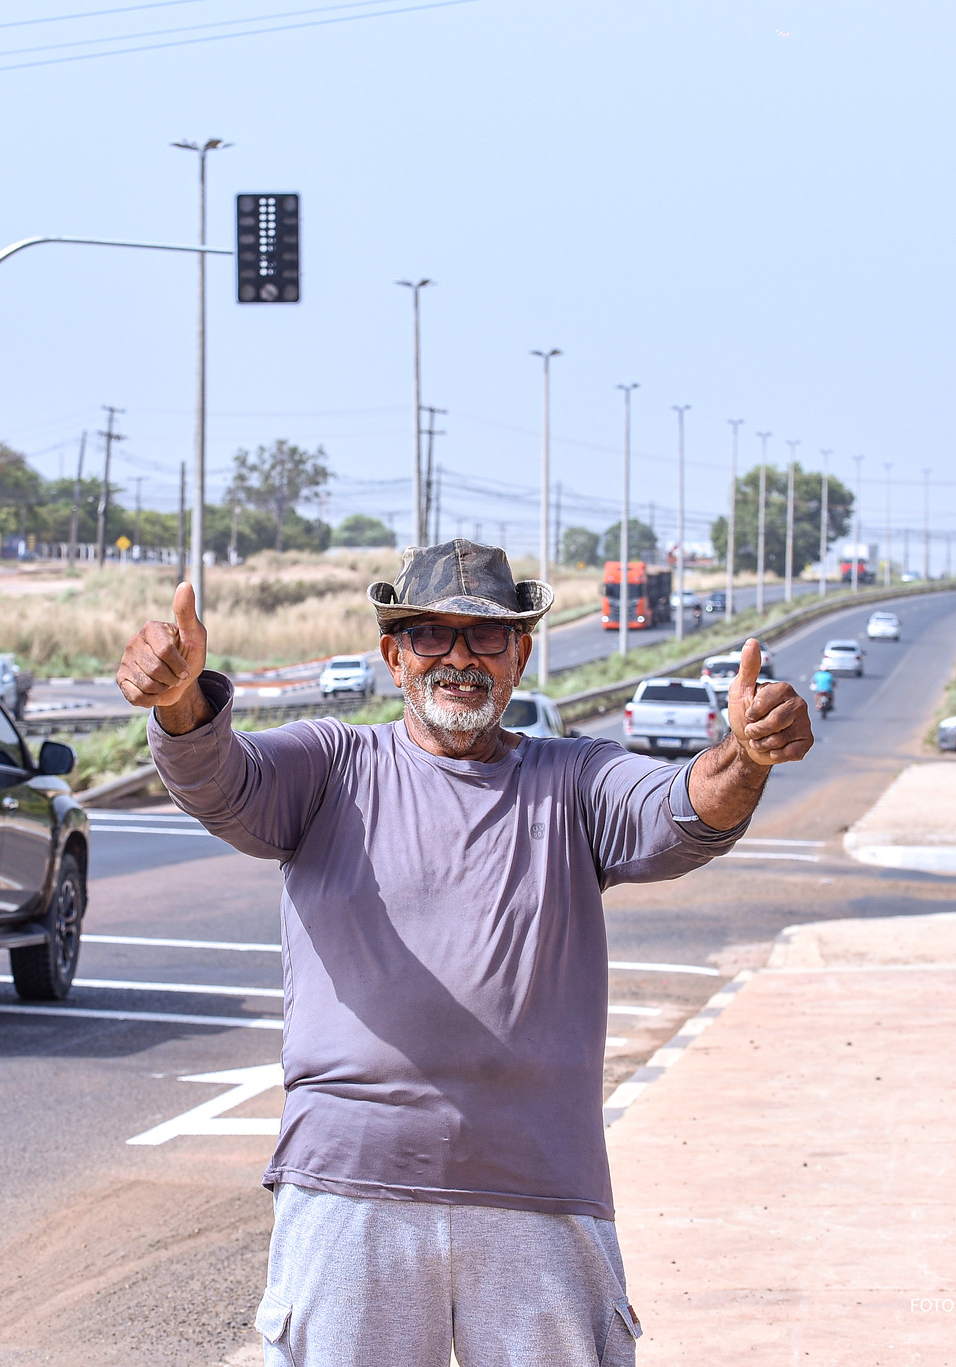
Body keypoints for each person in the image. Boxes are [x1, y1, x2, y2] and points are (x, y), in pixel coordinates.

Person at [117, 539, 814, 1367]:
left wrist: (746, 753)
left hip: (540, 1195)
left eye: (485, 636)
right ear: (392, 655)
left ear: (519, 654)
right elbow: (223, 779)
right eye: (430, 636)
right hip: (351, 1188)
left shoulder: (575, 780)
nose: (458, 657)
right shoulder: (333, 767)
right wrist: (181, 703)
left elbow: (680, 810)